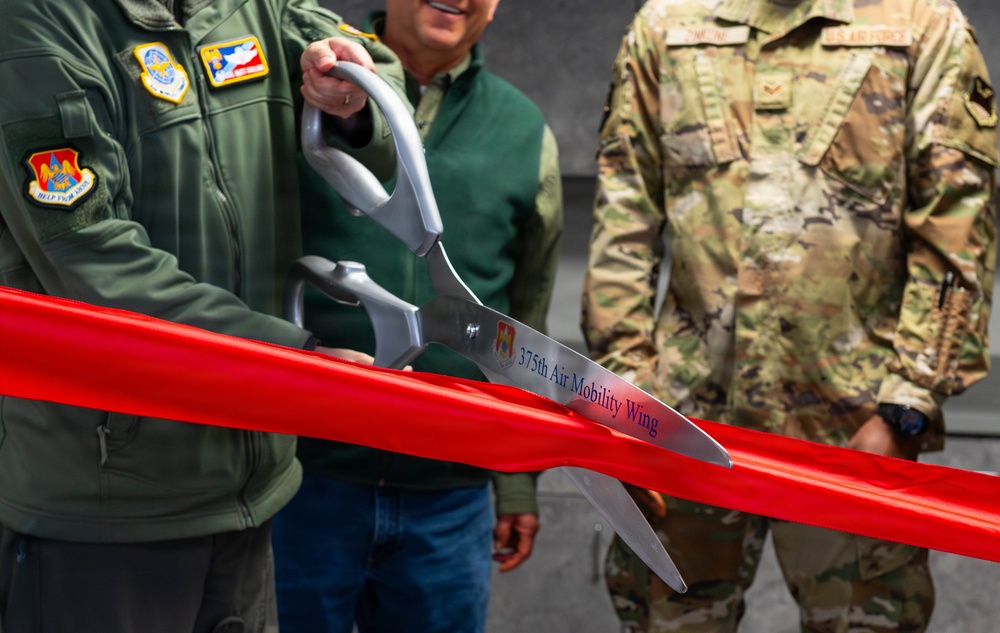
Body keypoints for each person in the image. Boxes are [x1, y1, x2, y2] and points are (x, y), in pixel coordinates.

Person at [583, 0, 997, 631]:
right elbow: (623, 221)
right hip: (681, 427)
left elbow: (957, 229)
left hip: (855, 433)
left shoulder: (921, 25)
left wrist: (907, 404)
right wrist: (625, 394)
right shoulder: (669, 26)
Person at [0, 0, 406, 630]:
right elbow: (91, 261)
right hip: (109, 506)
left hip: (250, 486)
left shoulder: (254, 8)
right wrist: (286, 362)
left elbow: (378, 72)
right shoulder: (33, 24)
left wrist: (347, 96)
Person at [270, 1, 563, 631]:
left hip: (450, 495)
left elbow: (527, 321)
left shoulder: (523, 128)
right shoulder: (305, 85)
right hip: (302, 478)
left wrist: (516, 482)